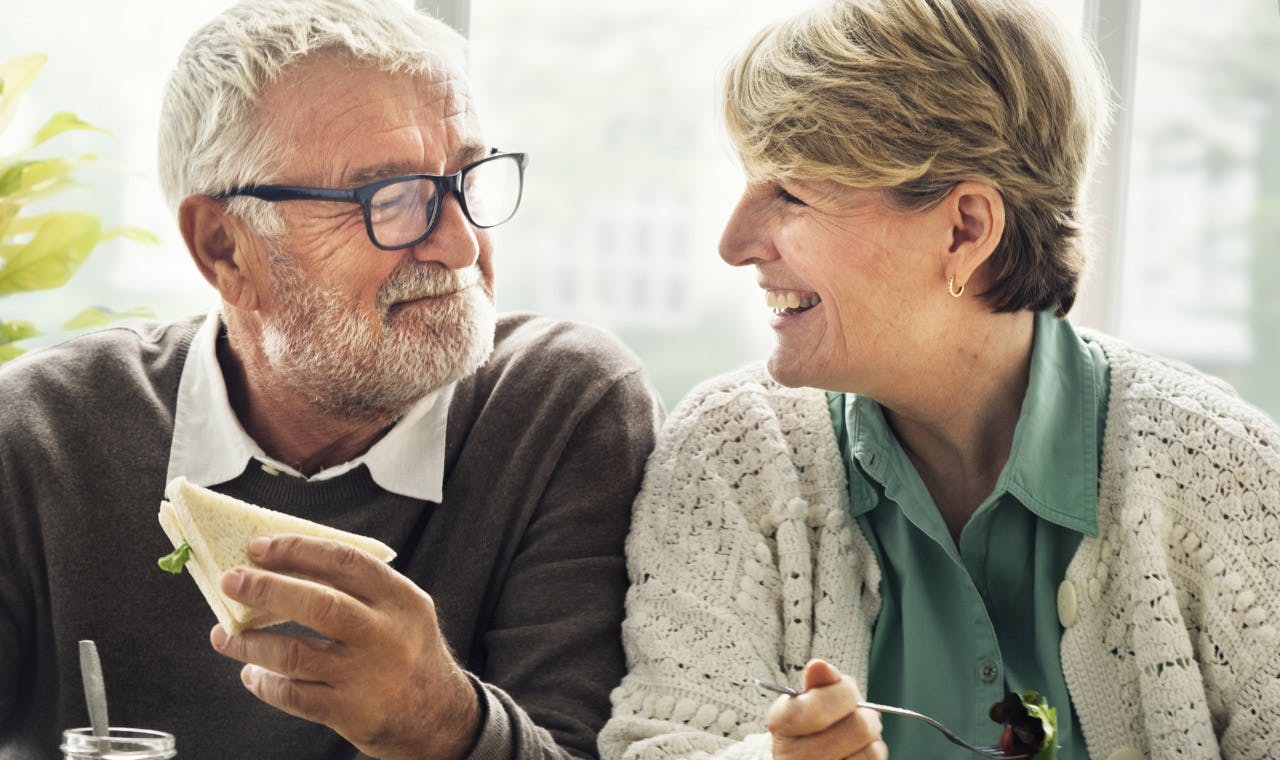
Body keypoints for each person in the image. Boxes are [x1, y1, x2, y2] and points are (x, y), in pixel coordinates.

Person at [599, 1, 1280, 759]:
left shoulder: (1231, 480)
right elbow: (659, 743)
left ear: (964, 229)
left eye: (791, 192)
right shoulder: (732, 453)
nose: (733, 243)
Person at [0, 1, 662, 758]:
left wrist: (444, 722)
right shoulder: (37, 437)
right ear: (224, 248)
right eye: (392, 198)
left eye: (468, 179)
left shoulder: (563, 409)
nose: (459, 244)